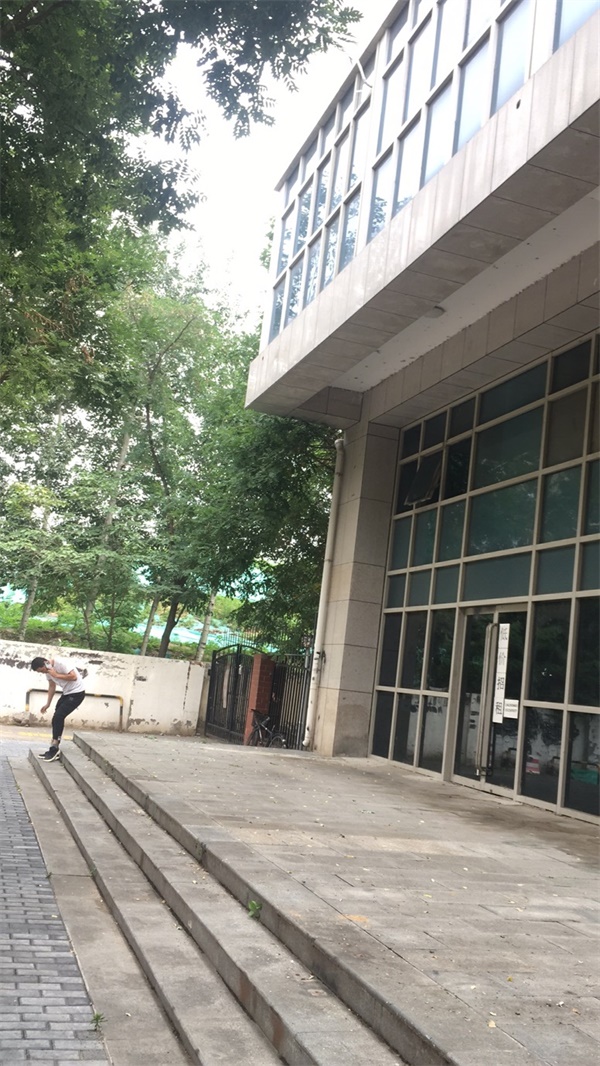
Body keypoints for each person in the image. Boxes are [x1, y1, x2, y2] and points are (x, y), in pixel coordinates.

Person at [30, 655, 86, 761]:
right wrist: (48, 704)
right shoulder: (48, 672)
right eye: (40, 672)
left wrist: (56, 675)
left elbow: (74, 677)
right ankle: (53, 746)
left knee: (59, 717)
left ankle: (55, 747)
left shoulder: (61, 663)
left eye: (42, 670)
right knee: (56, 718)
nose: (43, 673)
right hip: (67, 694)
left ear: (46, 663)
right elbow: (52, 686)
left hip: (77, 693)